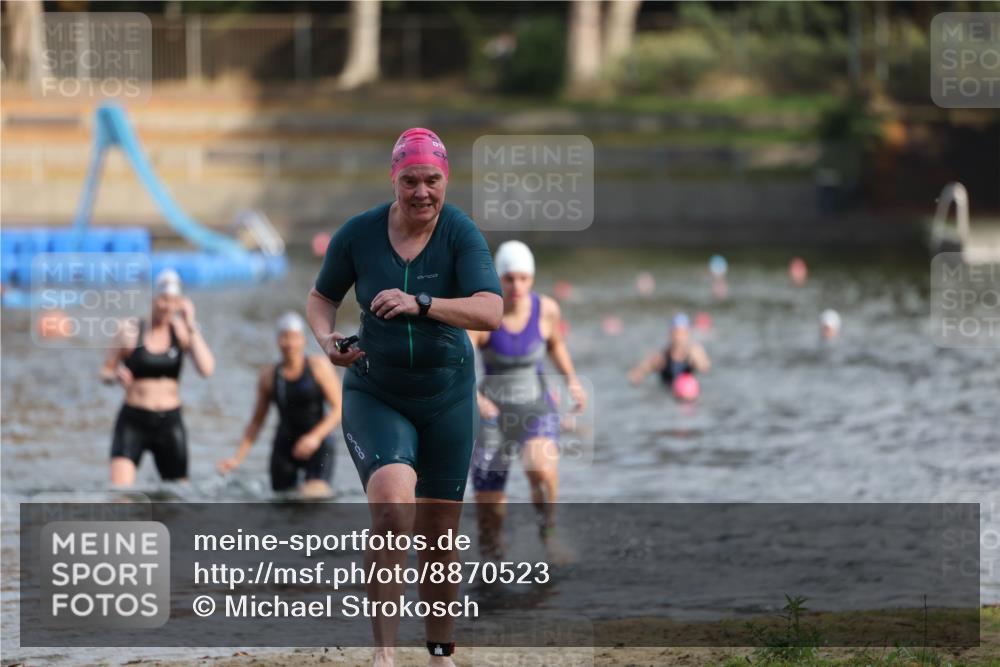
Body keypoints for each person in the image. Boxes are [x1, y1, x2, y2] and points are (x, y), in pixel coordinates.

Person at [306, 128, 502, 667]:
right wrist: (327, 342)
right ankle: (385, 655)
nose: (422, 192)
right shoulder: (360, 235)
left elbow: (490, 311)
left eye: (432, 180)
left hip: (447, 397)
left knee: (439, 534)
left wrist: (422, 302)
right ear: (394, 179)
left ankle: (440, 652)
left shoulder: (460, 233)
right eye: (410, 180)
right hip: (377, 391)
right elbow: (322, 299)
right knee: (394, 510)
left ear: (447, 180)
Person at [467, 240, 586, 563]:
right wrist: (476, 398)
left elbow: (556, 345)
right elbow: (458, 364)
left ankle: (547, 532)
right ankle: (493, 565)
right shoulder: (483, 314)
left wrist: (571, 380)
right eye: (509, 279)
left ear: (531, 278)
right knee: (490, 511)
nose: (516, 286)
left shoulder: (546, 309)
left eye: (523, 278)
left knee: (540, 470)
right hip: (491, 415)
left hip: (536, 407)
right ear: (498, 279)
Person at [100, 269, 214, 486]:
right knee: (120, 495)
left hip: (169, 423)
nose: (166, 306)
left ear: (179, 303)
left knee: (178, 498)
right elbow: (104, 371)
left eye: (172, 301)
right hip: (133, 420)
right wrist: (115, 375)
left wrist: (191, 324)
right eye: (163, 299)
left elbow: (207, 369)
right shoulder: (131, 330)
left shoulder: (182, 332)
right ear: (154, 298)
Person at [217, 312, 341, 497]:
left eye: (294, 337)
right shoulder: (269, 375)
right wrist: (237, 459)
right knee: (281, 502)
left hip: (319, 444)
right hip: (285, 445)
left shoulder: (318, 367)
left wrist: (314, 438)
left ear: (303, 340)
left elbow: (339, 408)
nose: (289, 344)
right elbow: (256, 422)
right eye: (284, 337)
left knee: (314, 496)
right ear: (278, 341)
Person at [628, 313, 710, 387]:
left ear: (688, 333)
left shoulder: (694, 351)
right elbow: (635, 377)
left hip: (688, 393)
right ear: (670, 334)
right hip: (666, 395)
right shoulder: (662, 356)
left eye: (682, 333)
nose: (679, 337)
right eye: (676, 332)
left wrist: (697, 361)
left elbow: (705, 368)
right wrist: (643, 370)